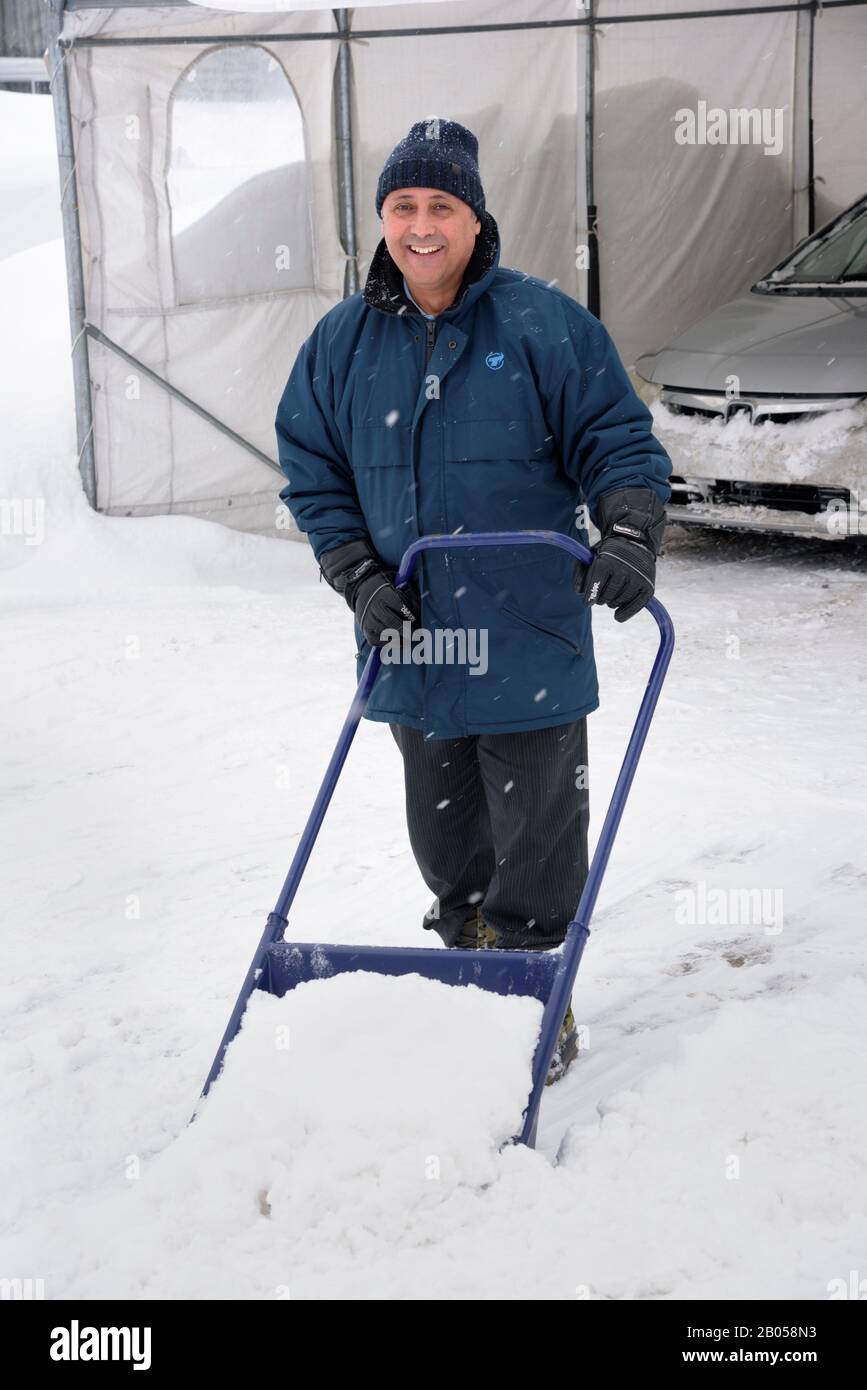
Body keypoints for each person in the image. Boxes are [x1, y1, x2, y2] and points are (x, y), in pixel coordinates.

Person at [275, 117, 671, 1083]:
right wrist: (359, 578)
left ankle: (535, 988)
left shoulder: (542, 324)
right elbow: (312, 471)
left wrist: (625, 531)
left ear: (473, 217)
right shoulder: (340, 341)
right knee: (444, 828)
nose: (420, 224)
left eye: (439, 205)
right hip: (409, 637)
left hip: (526, 630)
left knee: (537, 829)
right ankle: (467, 958)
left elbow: (618, 440)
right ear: (381, 217)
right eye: (402, 205)